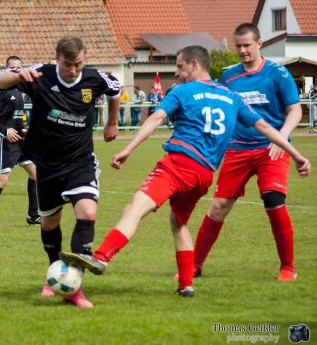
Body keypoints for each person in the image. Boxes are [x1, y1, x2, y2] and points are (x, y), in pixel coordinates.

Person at [59, 45, 311, 299]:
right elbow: (265, 127)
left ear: (194, 64)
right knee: (179, 223)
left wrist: (129, 148)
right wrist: (297, 155)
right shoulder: (231, 97)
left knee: (134, 209)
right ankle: (186, 284)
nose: (177, 74)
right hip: (204, 174)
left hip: (179, 164)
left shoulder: (183, 91)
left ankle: (102, 256)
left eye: (180, 67)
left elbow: (155, 119)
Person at [0, 36, 121, 308]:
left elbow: (115, 90)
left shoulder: (94, 79)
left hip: (80, 161)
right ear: (57, 59)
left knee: (87, 212)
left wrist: (111, 123)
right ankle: (55, 273)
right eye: (67, 65)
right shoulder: (40, 75)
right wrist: (17, 75)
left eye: (78, 64)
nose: (73, 70)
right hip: (48, 164)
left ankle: (75, 287)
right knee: (50, 225)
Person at [192, 23, 304, 282]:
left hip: (271, 150)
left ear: (259, 43)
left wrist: (282, 138)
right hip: (237, 150)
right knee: (218, 206)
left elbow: (295, 109)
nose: (242, 50)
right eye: (238, 46)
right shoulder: (229, 76)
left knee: (273, 201)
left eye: (247, 45)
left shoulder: (278, 73)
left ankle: (288, 267)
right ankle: (194, 265)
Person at [0, 55, 41, 229]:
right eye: (12, 68)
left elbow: (17, 117)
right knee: (2, 179)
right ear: (5, 70)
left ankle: (33, 215)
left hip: (20, 140)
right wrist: (4, 131)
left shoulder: (21, 90)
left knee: (35, 173)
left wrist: (24, 129)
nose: (15, 71)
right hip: (3, 141)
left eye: (18, 68)